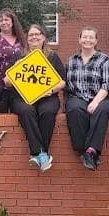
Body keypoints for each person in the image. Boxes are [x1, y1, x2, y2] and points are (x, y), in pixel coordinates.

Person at [6, 24, 65, 173]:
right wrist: (17, 68)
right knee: (26, 111)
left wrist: (50, 89)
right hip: (22, 97)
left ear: (43, 37)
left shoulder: (52, 57)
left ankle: (37, 154)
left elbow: (62, 82)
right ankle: (41, 153)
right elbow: (6, 81)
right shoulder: (19, 56)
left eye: (37, 34)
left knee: (48, 112)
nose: (34, 37)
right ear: (27, 39)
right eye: (31, 35)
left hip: (47, 97)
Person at [65, 27, 109, 170]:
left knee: (101, 110)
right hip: (77, 97)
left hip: (102, 97)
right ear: (79, 40)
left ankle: (91, 151)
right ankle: (84, 150)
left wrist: (95, 101)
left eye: (91, 37)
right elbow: (67, 84)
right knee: (75, 109)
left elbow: (107, 84)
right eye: (85, 37)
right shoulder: (71, 60)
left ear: (96, 41)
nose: (87, 40)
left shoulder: (104, 59)